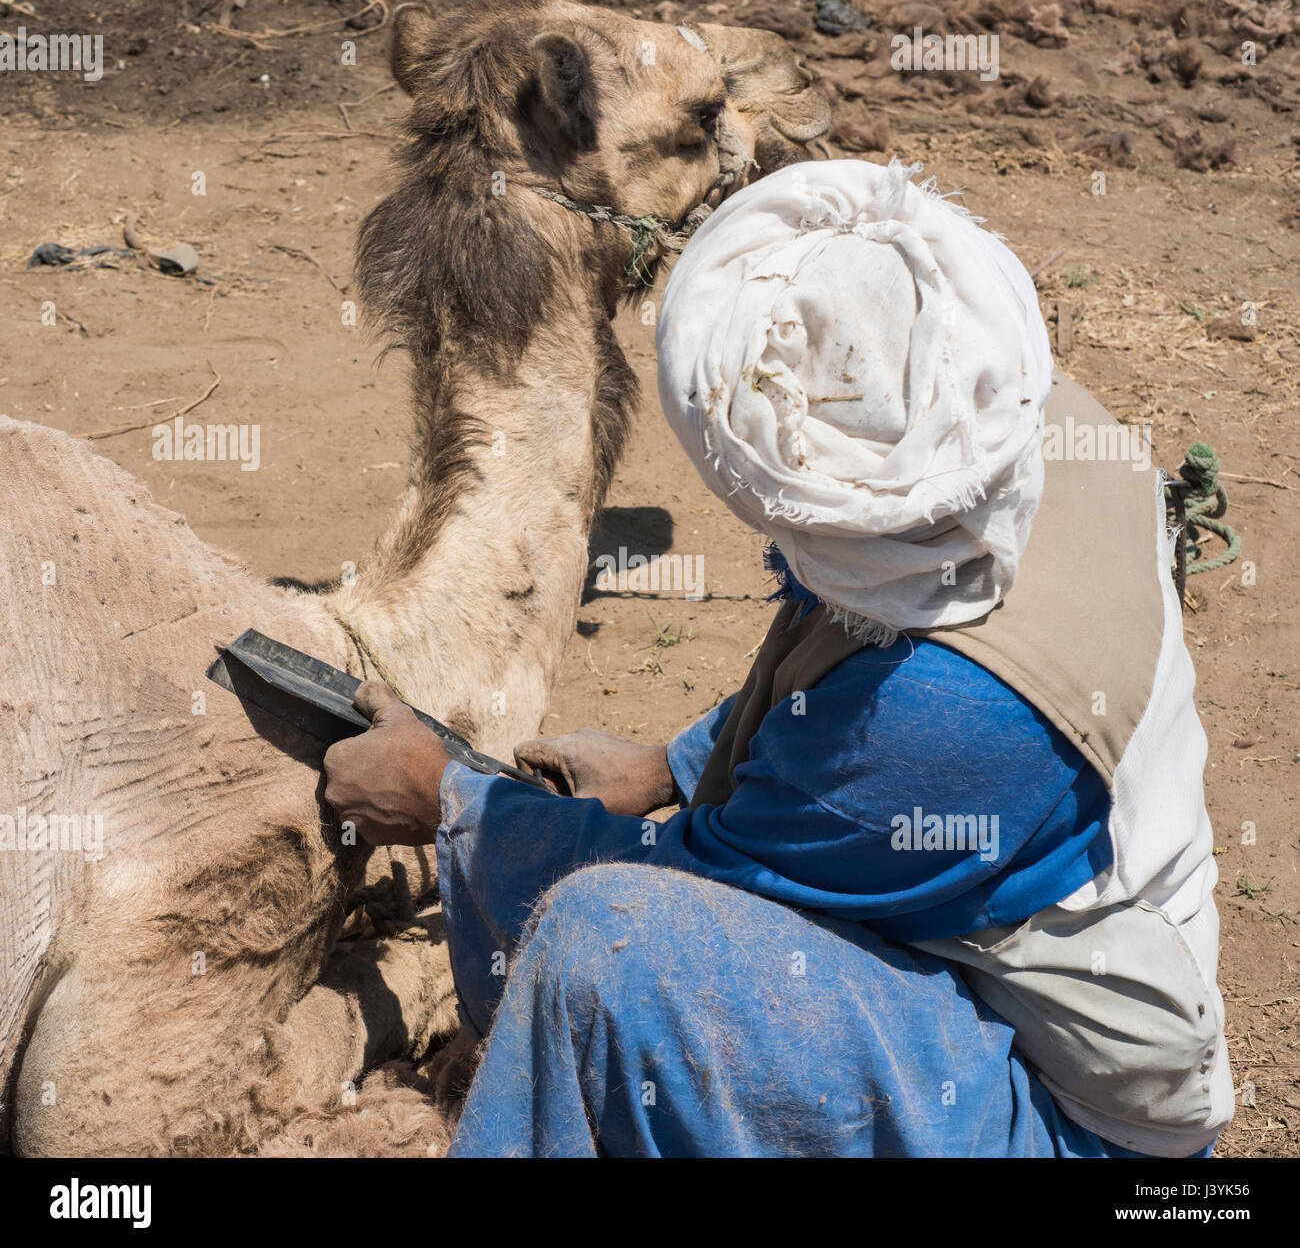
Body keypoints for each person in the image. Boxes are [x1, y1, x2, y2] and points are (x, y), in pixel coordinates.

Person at [323, 159, 1233, 1158]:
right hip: (1056, 949)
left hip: (1058, 1106)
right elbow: (862, 651)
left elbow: (689, 903)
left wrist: (451, 802)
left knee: (599, 949)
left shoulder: (937, 723)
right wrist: (673, 762)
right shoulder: (1012, 413)